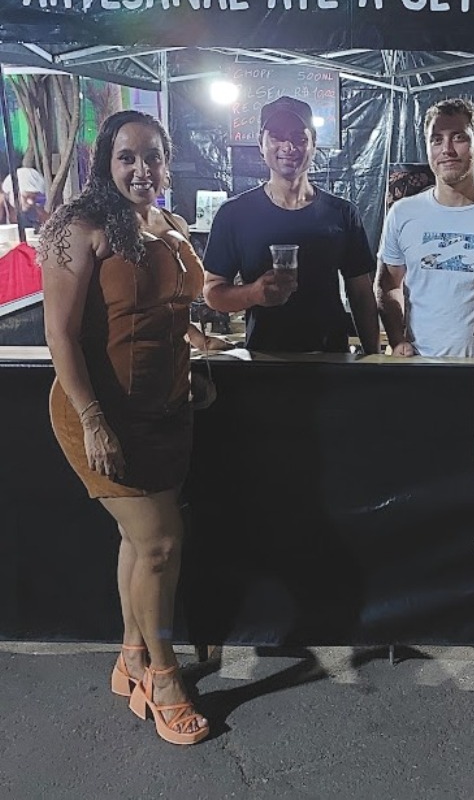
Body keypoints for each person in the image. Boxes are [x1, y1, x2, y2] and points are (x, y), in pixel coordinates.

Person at [40, 110, 211, 745]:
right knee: (161, 543)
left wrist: (198, 351)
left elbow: (173, 310)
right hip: (100, 413)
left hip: (166, 409)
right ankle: (162, 679)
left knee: (140, 544)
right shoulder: (76, 228)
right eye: (127, 157)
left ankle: (131, 658)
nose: (142, 169)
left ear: (167, 162)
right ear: (105, 164)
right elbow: (59, 334)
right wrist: (93, 420)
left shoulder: (170, 226)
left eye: (153, 156)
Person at [203, 95, 379, 354]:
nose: (288, 146)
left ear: (314, 143)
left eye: (299, 137)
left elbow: (361, 294)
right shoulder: (234, 213)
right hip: (264, 361)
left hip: (331, 362)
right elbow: (212, 292)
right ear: (261, 144)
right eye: (276, 136)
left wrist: (374, 359)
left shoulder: (342, 213)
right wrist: (253, 294)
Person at [376, 97, 474, 357]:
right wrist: (397, 339)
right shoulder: (402, 214)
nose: (447, 149)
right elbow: (388, 284)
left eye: (458, 138)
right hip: (419, 366)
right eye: (437, 139)